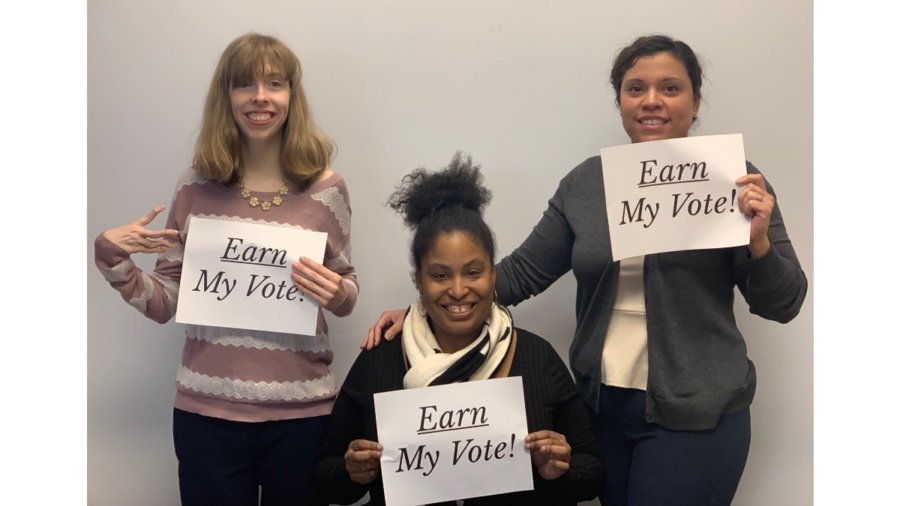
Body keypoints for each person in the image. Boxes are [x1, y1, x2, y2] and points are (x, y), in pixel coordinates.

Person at [363, 35, 807, 506]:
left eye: (670, 88)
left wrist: (757, 241)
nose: (651, 101)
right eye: (636, 88)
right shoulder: (586, 185)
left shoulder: (735, 180)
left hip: (697, 416)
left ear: (696, 101)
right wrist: (421, 311)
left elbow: (784, 302)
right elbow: (519, 274)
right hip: (603, 411)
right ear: (619, 100)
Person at [94, 33, 358, 506]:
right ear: (227, 97)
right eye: (244, 85)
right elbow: (167, 303)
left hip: (302, 416)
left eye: (275, 83)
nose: (260, 97)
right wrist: (115, 261)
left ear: (292, 96)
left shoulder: (328, 189)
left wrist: (339, 295)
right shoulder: (195, 185)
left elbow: (346, 288)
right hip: (207, 416)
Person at [315, 153, 603, 505]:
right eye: (439, 275)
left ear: (493, 275)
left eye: (472, 272)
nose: (457, 290)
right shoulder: (381, 359)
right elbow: (323, 476)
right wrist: (351, 472)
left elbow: (594, 473)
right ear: (418, 280)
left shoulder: (537, 358)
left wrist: (561, 466)